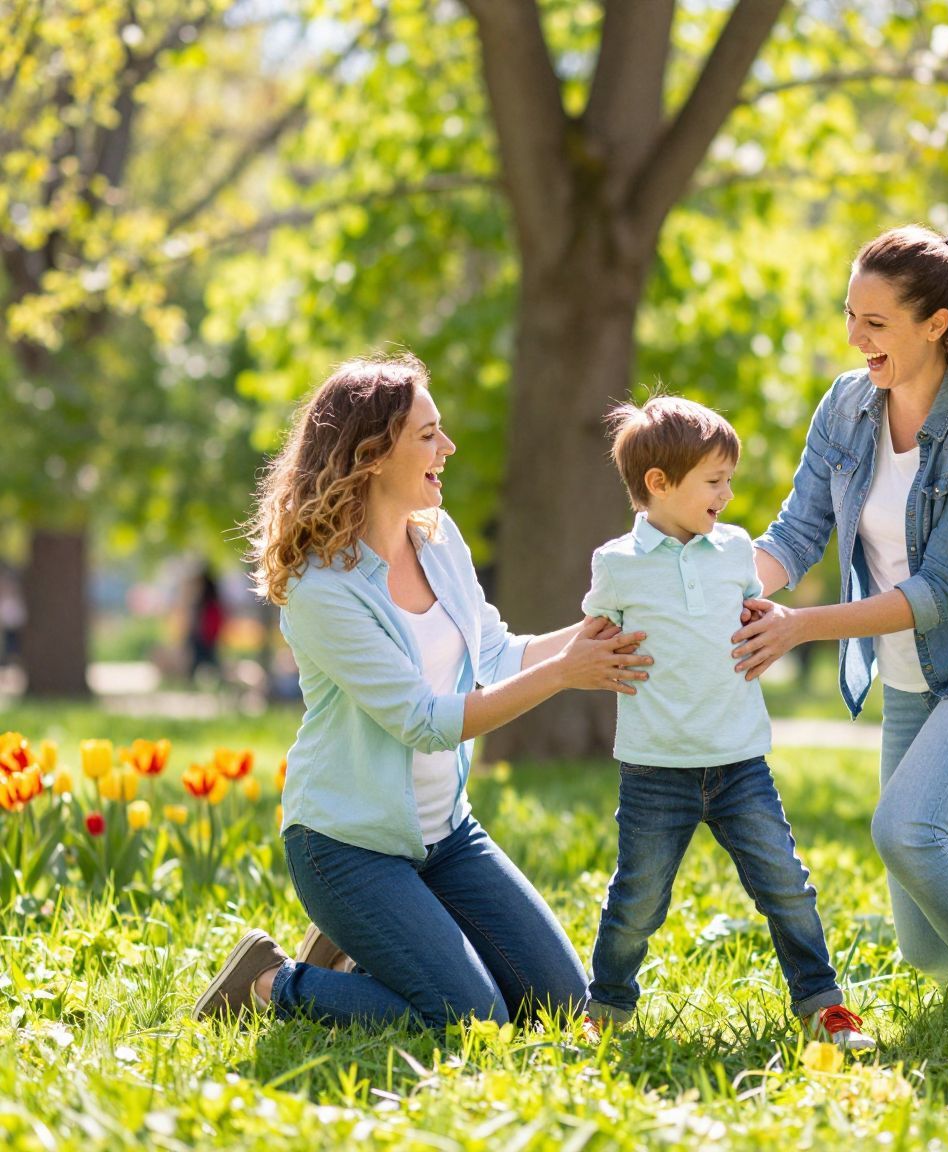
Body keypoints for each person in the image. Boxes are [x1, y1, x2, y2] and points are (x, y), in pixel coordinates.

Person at [193, 352, 652, 1028]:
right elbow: (423, 721)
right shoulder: (323, 591)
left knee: (561, 1007)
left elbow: (494, 653)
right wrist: (564, 674)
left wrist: (597, 630)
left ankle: (377, 949)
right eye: (428, 434)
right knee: (473, 1019)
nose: (450, 446)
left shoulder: (438, 538)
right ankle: (269, 984)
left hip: (447, 837)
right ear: (373, 454)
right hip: (346, 848)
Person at [732, 226, 948, 1045]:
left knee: (904, 830)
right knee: (923, 943)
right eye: (851, 314)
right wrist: (704, 580)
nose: (855, 337)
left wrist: (800, 627)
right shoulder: (847, 406)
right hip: (913, 680)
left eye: (875, 323)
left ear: (936, 326)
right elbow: (795, 533)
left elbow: (941, 592)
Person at [580, 395, 875, 1052]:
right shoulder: (616, 565)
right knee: (638, 901)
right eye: (714, 481)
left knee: (787, 886)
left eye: (728, 479)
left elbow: (751, 614)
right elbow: (597, 632)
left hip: (739, 760)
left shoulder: (735, 549)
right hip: (656, 766)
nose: (728, 492)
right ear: (659, 484)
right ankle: (606, 1010)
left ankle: (822, 1006)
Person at [187, 565, 226, 685]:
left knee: (203, 660)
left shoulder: (206, 603)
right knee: (208, 660)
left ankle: (195, 681)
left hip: (205, 636)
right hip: (208, 635)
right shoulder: (211, 601)